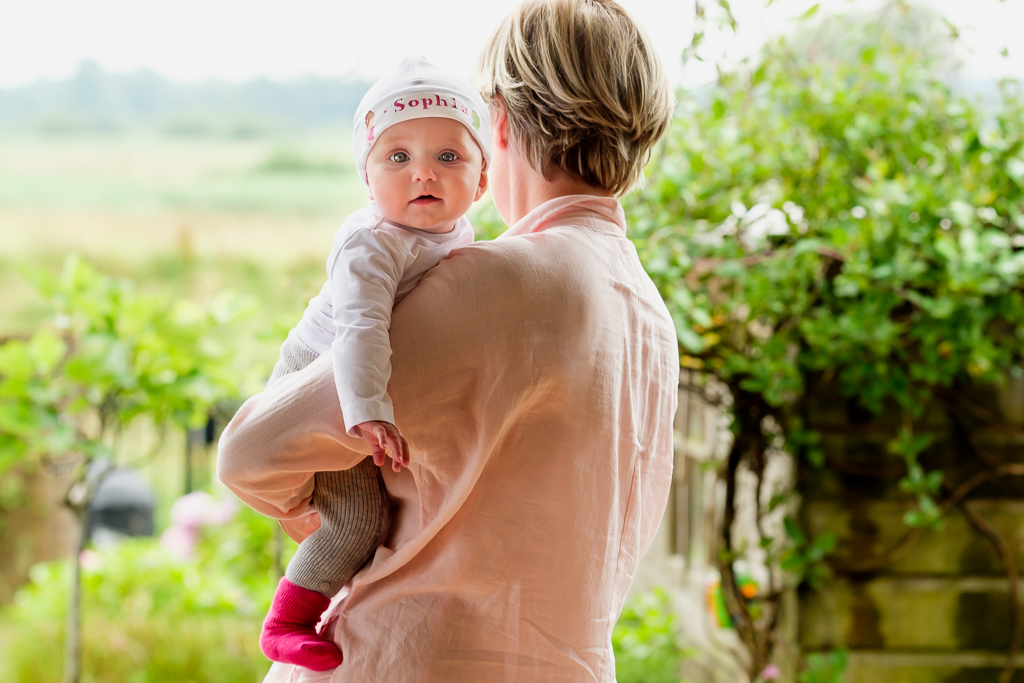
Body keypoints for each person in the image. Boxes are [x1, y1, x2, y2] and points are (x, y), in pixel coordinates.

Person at [217, 0, 678, 680]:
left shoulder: (497, 282)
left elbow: (250, 452)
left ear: (499, 119)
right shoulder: (649, 313)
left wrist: (342, 527)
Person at [255, 57, 491, 671]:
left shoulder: (459, 236)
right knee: (357, 520)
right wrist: (366, 413)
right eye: (397, 157)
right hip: (320, 376)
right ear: (367, 178)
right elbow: (360, 330)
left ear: (482, 179)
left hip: (358, 378)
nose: (423, 175)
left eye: (448, 157)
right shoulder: (372, 243)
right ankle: (288, 621)